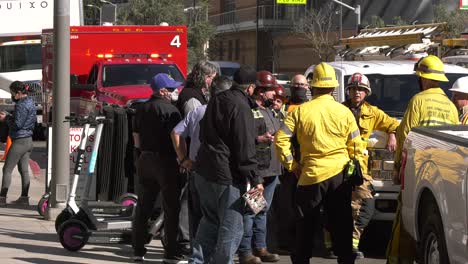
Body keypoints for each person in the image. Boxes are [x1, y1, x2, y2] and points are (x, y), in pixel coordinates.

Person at [275, 62, 364, 264]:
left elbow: (280, 141)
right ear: (333, 88)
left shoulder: (299, 112)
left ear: (312, 86)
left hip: (310, 177)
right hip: (339, 177)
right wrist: (352, 167)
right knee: (342, 227)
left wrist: (293, 166)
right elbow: (356, 146)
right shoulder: (345, 112)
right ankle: (345, 259)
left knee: (304, 229)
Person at [387, 55, 460, 264]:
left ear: (424, 78)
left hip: (416, 168)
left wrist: (397, 167)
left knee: (406, 214)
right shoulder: (450, 106)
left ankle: (399, 259)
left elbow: (405, 136)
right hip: (443, 172)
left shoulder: (418, 101)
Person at [190, 65, 263, 264]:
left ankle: (197, 261)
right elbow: (244, 145)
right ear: (250, 88)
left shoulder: (216, 99)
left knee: (210, 221)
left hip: (204, 170)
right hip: (226, 175)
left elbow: (205, 132)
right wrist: (255, 178)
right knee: (232, 227)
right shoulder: (241, 106)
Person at [341, 72, 399, 258]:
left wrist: (392, 135)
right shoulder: (338, 110)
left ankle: (352, 243)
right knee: (337, 205)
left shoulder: (372, 112)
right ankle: (333, 243)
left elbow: (393, 124)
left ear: (366, 93)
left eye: (361, 89)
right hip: (338, 164)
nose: (357, 92)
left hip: (359, 167)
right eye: (354, 89)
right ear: (348, 91)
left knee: (366, 205)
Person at [132, 73, 187, 263]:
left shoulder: (141, 108)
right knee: (171, 207)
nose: (175, 92)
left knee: (144, 205)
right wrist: (183, 159)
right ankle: (170, 253)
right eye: (171, 89)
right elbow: (177, 137)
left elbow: (136, 139)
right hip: (167, 161)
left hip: (145, 159)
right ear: (162, 91)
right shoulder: (171, 111)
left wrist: (142, 156)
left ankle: (138, 250)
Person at [170, 75, 232, 244]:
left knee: (199, 214)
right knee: (220, 217)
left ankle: (196, 250)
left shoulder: (199, 111)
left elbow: (176, 133)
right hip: (220, 171)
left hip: (197, 169)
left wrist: (183, 159)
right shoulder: (230, 111)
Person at [238, 71, 281, 264]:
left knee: (263, 210)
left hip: (272, 170)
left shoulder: (272, 110)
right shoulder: (248, 109)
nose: (274, 94)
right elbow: (242, 139)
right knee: (251, 210)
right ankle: (245, 251)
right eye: (271, 90)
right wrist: (258, 139)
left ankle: (261, 247)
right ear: (261, 91)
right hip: (257, 171)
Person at [0, 81, 36, 206]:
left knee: (7, 169)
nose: (12, 95)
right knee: (24, 170)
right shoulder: (30, 102)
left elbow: (17, 124)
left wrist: (6, 119)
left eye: (12, 92)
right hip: (28, 140)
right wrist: (11, 116)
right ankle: (24, 198)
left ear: (19, 93)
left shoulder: (21, 105)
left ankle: (2, 198)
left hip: (19, 141)